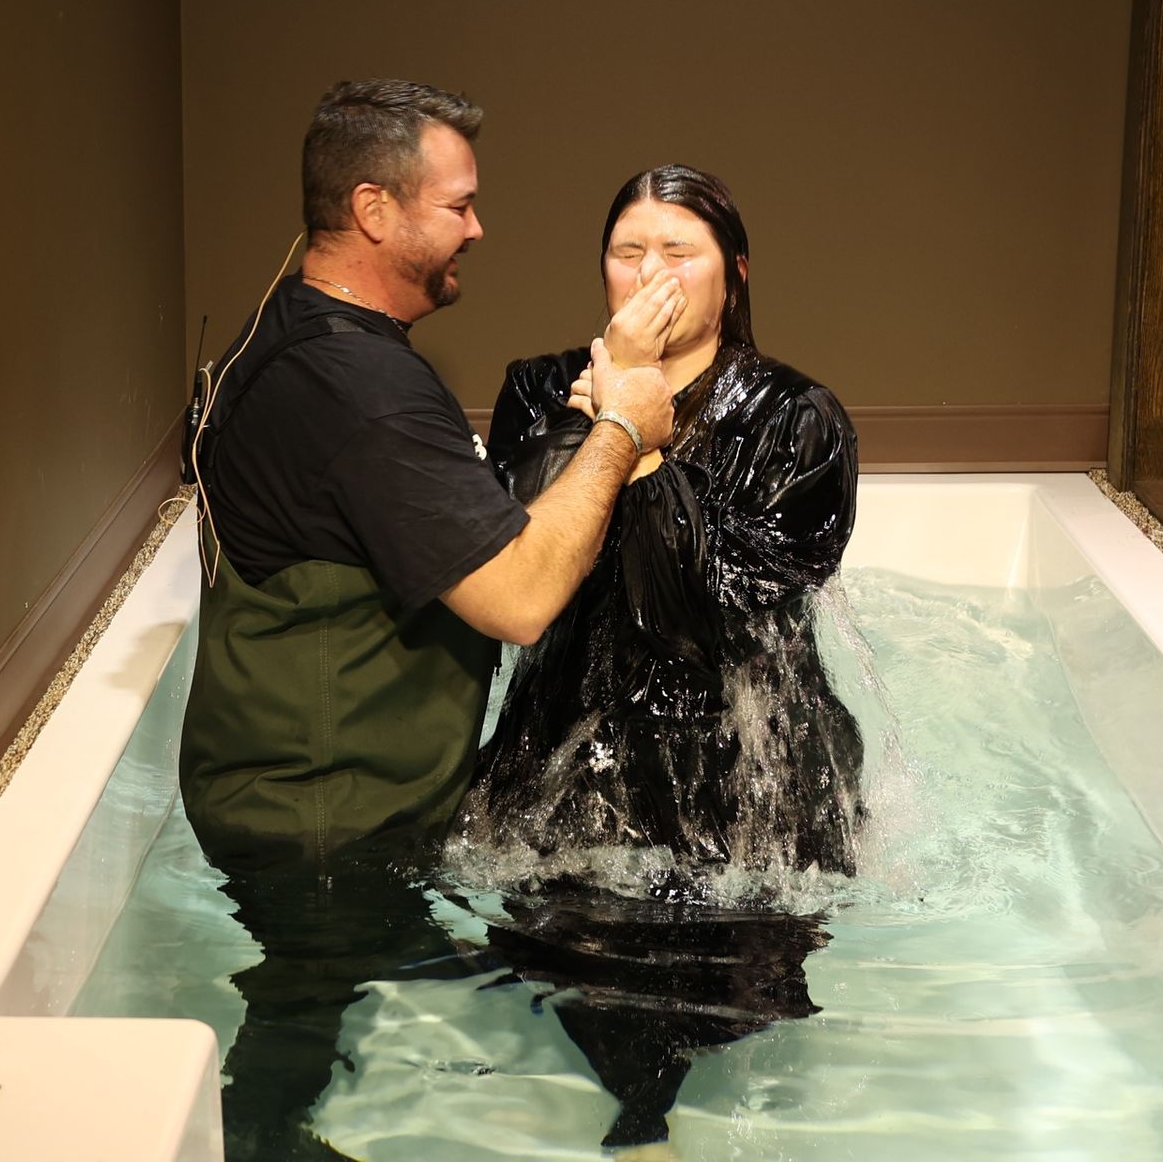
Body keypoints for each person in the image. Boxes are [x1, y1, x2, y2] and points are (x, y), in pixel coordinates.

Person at [179, 81, 678, 1159]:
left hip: (292, 794)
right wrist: (627, 421)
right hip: (319, 819)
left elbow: (448, 531)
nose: (478, 227)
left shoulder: (294, 334)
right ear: (373, 211)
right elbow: (522, 599)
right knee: (280, 1072)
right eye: (458, 205)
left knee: (323, 1008)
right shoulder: (365, 391)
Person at [451, 164, 863, 1149]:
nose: (651, 272)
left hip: (739, 753)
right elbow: (526, 556)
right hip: (575, 733)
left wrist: (630, 432)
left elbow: (724, 605)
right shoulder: (540, 388)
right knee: (565, 960)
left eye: (679, 253)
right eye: (628, 252)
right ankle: (629, 1106)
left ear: (737, 272)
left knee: (735, 982)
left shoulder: (801, 417)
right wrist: (604, 412)